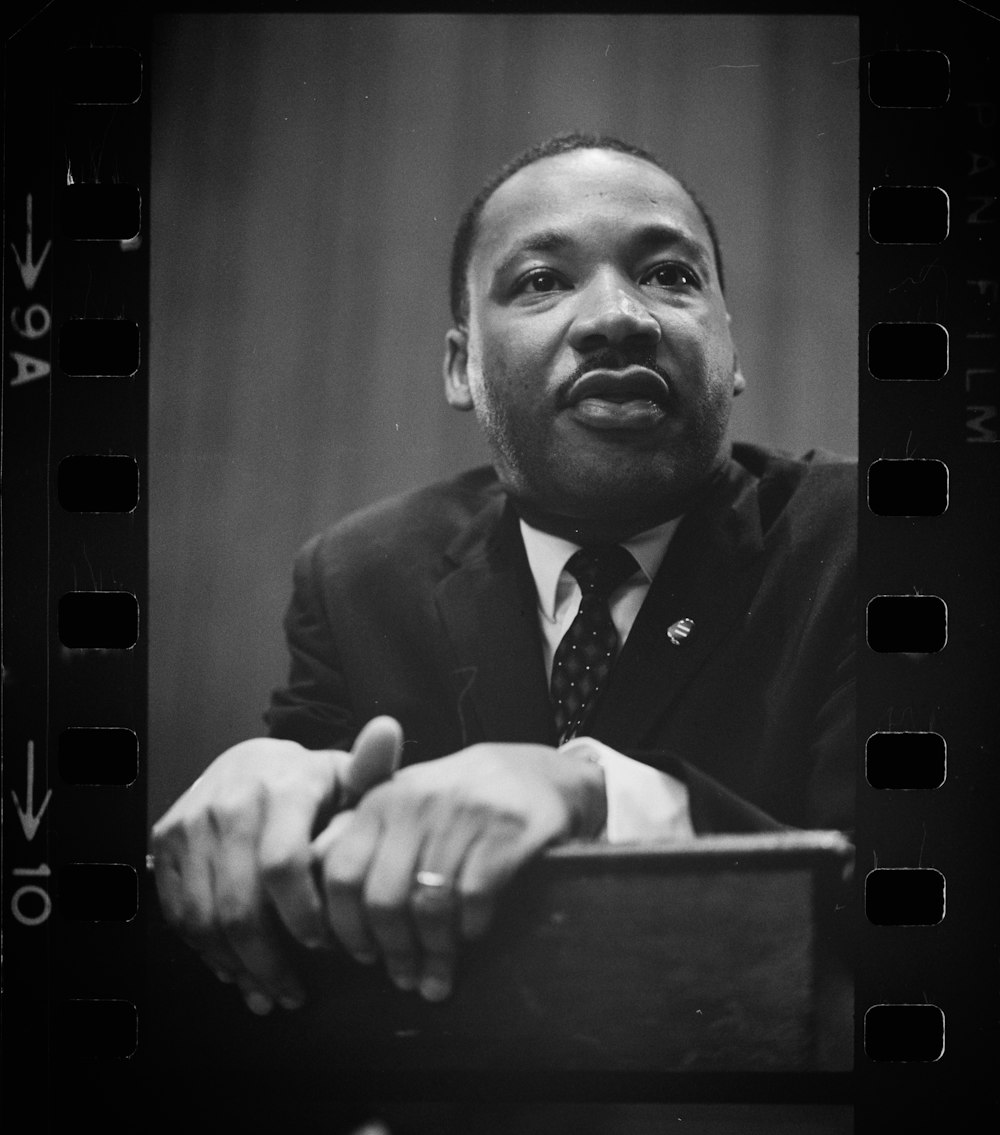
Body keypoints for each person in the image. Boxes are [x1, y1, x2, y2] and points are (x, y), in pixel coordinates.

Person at [152, 132, 855, 1021]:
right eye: (541, 281)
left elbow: (905, 912)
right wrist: (267, 786)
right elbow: (304, 917)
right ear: (461, 368)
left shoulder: (865, 544)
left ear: (732, 349)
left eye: (671, 276)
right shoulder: (362, 577)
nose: (620, 316)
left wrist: (589, 790)